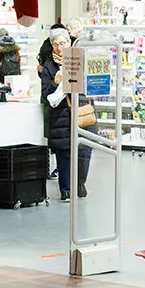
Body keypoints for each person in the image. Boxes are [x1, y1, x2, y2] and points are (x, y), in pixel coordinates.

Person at [41, 23, 91, 199]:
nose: (59, 48)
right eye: (55, 44)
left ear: (69, 42)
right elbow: (45, 94)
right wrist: (55, 82)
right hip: (60, 116)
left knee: (84, 150)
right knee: (64, 153)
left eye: (62, 43)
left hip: (81, 111)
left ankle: (80, 183)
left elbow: (89, 86)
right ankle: (66, 189)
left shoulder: (79, 59)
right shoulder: (49, 66)